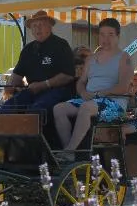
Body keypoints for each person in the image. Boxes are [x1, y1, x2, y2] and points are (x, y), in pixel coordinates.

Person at [52, 18, 132, 152]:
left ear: (118, 36)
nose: (105, 39)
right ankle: (69, 151)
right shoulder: (90, 59)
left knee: (86, 107)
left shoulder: (124, 58)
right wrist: (83, 92)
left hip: (114, 103)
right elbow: (81, 82)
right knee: (59, 109)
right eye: (102, 34)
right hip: (90, 100)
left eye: (110, 34)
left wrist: (98, 94)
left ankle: (70, 150)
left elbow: (123, 87)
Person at [0, 10, 75, 117]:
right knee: (6, 108)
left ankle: (35, 134)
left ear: (49, 26)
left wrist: (44, 85)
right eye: (34, 26)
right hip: (32, 92)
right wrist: (10, 86)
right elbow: (17, 76)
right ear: (31, 30)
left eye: (41, 25)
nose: (37, 28)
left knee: (36, 110)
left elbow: (68, 76)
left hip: (57, 91)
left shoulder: (61, 45)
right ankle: (10, 134)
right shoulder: (28, 50)